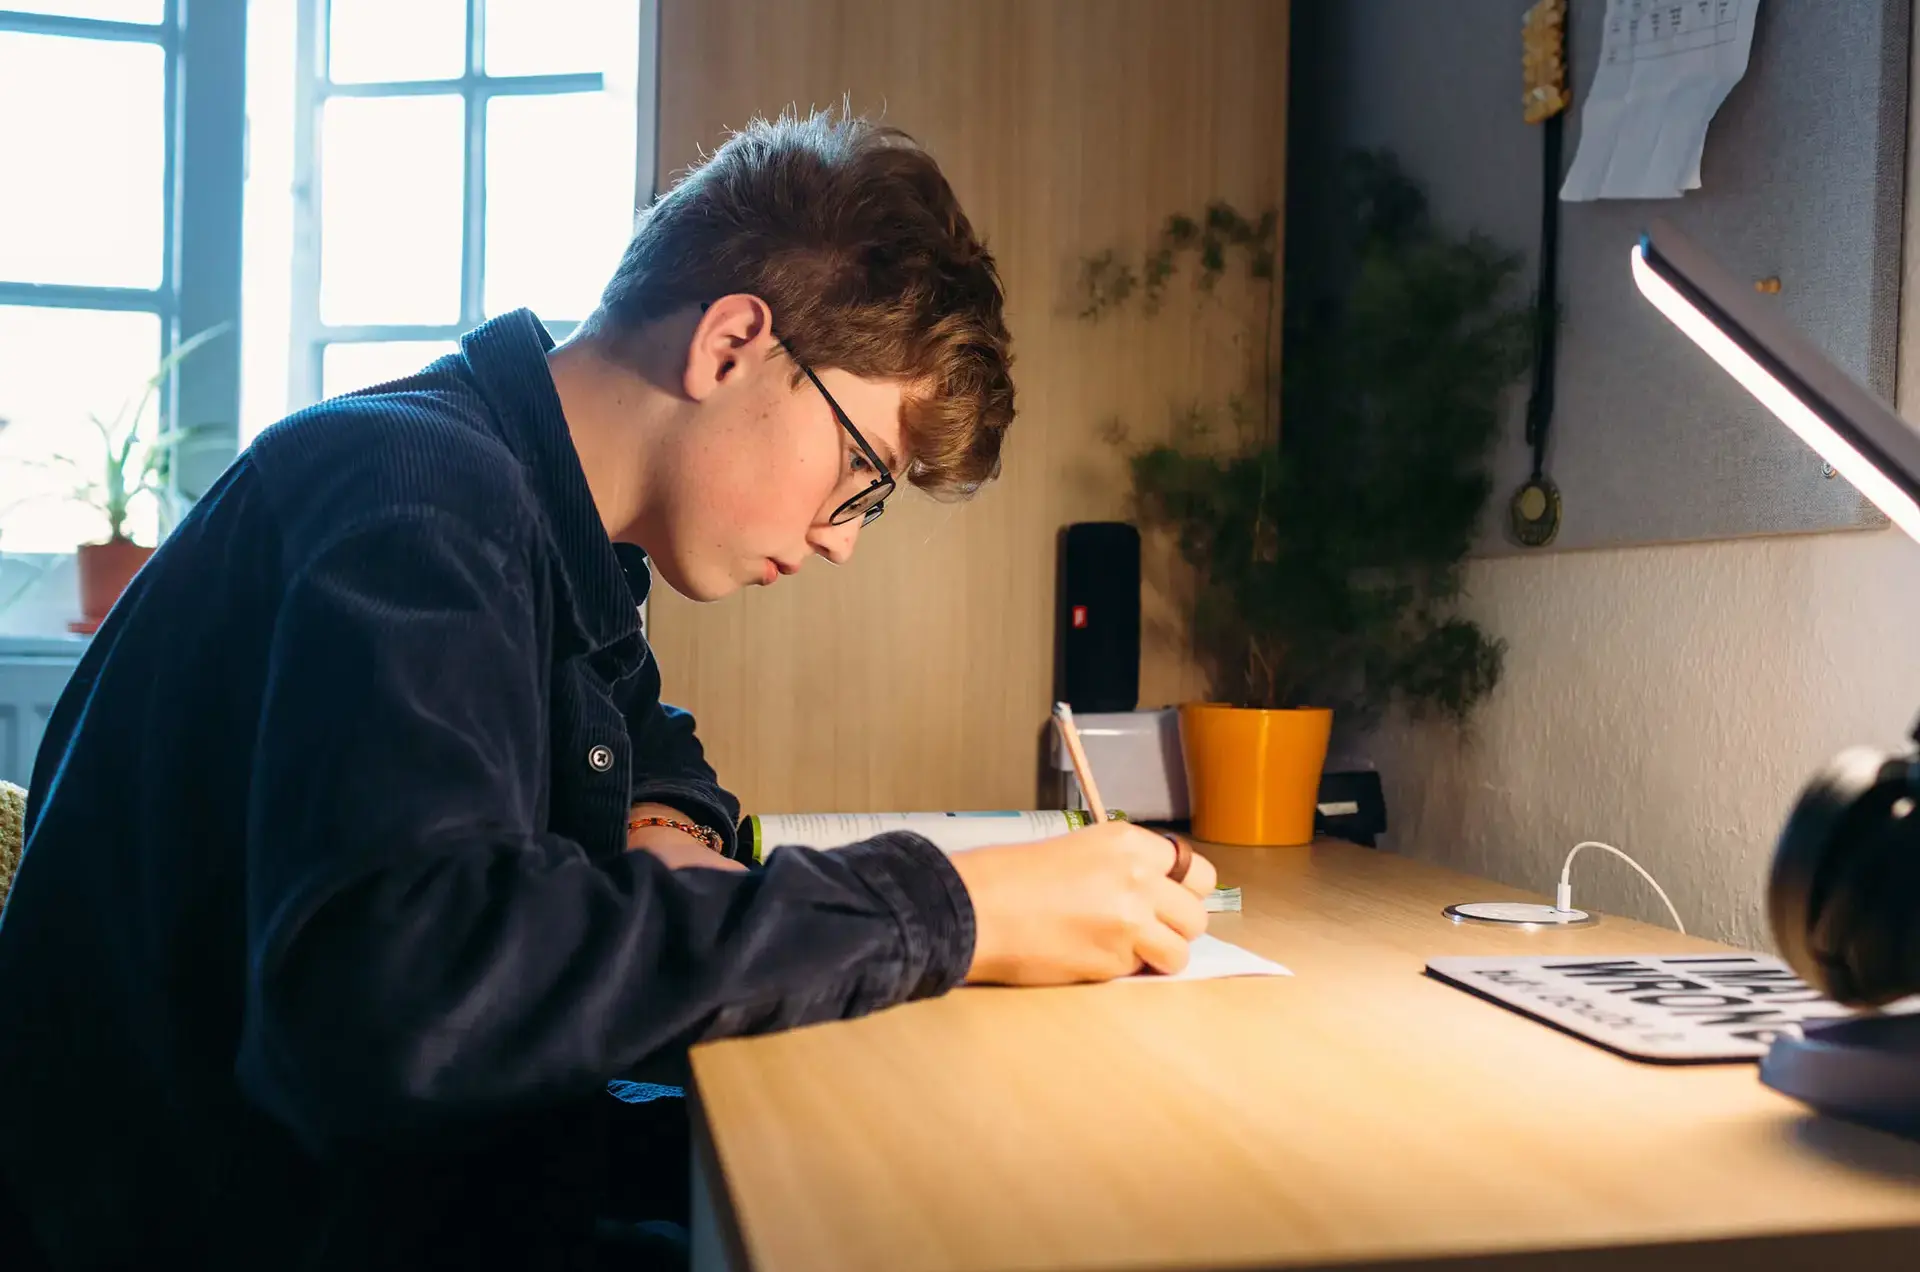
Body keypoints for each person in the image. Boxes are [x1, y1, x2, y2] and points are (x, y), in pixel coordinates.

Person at [0, 110, 1215, 1270]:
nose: (845, 538)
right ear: (732, 342)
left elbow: (641, 730)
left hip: (382, 1181)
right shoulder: (416, 498)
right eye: (860, 468)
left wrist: (666, 825)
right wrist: (955, 909)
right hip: (252, 1225)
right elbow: (407, 984)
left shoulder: (546, 521)